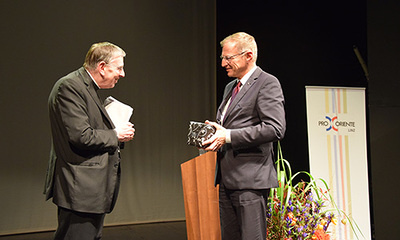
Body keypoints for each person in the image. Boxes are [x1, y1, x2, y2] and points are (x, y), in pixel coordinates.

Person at [44, 42, 135, 240]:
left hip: (88, 189)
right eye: (119, 68)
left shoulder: (86, 88)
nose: (122, 74)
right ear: (102, 67)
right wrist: (115, 134)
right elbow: (81, 136)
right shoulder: (70, 87)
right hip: (80, 188)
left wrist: (116, 133)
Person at [202, 32, 286, 240]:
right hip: (227, 178)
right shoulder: (231, 87)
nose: (223, 63)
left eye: (228, 58)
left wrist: (228, 136)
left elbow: (275, 128)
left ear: (249, 56)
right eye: (222, 58)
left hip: (250, 180)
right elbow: (229, 124)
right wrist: (213, 136)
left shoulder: (267, 82)